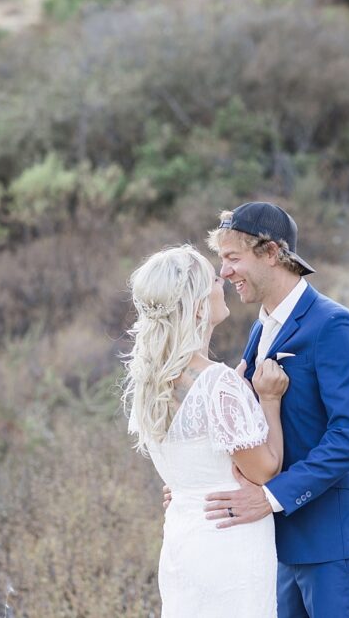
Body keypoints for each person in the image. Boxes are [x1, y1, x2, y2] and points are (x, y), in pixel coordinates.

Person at [200, 202, 349, 618]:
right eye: (223, 261)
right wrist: (197, 484)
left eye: (233, 258)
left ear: (271, 253)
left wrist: (271, 497)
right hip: (282, 540)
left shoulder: (334, 325)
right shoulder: (261, 327)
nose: (225, 272)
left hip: (334, 538)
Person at [122, 244, 290, 617]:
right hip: (229, 544)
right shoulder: (216, 383)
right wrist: (269, 401)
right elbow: (264, 470)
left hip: (184, 542)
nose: (223, 281)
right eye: (214, 279)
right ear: (198, 305)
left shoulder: (148, 383)